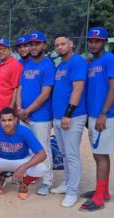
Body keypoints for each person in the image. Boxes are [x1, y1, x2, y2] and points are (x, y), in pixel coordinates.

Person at [0, 108, 46, 200]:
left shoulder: (24, 131)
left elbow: (42, 154)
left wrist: (23, 168)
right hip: (1, 159)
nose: (7, 123)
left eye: (10, 120)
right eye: (4, 120)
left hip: (21, 160)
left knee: (41, 168)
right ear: (0, 121)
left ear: (15, 120)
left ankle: (24, 183)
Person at [50, 33, 88, 207]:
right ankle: (67, 183)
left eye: (63, 44)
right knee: (64, 154)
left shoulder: (77, 62)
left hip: (72, 116)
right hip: (59, 117)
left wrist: (68, 114)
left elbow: (78, 89)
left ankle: (73, 191)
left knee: (72, 155)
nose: (59, 47)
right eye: (57, 45)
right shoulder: (61, 65)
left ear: (71, 44)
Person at [79, 27, 114, 212]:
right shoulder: (92, 62)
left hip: (105, 115)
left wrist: (103, 112)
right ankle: (103, 191)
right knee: (97, 153)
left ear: (104, 42)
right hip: (93, 115)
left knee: (101, 155)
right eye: (90, 40)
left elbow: (113, 87)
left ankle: (99, 198)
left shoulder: (110, 59)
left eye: (97, 40)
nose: (93, 43)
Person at [16, 31, 56, 197]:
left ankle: (47, 181)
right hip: (24, 115)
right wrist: (19, 109)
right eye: (31, 44)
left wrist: (27, 110)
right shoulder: (28, 65)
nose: (33, 47)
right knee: (29, 148)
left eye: (37, 44)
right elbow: (20, 88)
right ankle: (34, 175)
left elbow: (45, 93)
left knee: (42, 148)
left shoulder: (48, 65)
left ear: (44, 45)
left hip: (40, 116)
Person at [0, 38, 23, 125]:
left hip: (6, 111)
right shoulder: (0, 64)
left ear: (10, 50)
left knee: (9, 136)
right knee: (0, 136)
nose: (0, 52)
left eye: (3, 49)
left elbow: (16, 88)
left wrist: (10, 109)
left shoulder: (15, 65)